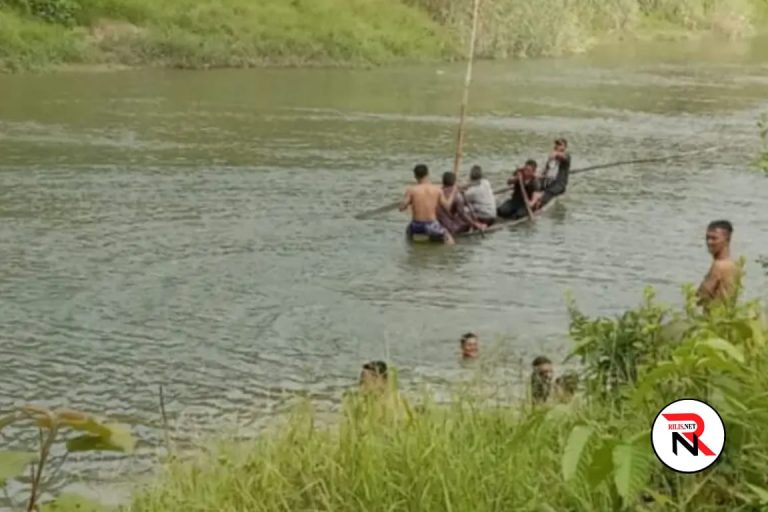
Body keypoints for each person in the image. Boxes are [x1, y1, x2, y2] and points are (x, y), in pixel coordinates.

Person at [400, 164, 456, 244]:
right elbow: (447, 207)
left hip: (416, 226)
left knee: (407, 231)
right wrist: (453, 192)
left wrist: (406, 202)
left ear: (415, 176)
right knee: (450, 239)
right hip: (431, 225)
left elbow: (401, 208)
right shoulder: (437, 190)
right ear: (428, 174)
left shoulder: (411, 190)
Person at [697, 220, 739, 307]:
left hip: (714, 317)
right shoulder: (734, 265)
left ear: (727, 239)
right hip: (727, 315)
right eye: (707, 238)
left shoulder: (719, 266)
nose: (709, 242)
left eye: (714, 238)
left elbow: (700, 298)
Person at [532, 138, 571, 210]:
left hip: (558, 184)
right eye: (556, 144)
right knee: (533, 186)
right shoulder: (551, 157)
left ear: (564, 147)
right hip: (547, 181)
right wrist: (537, 176)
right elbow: (545, 171)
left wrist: (556, 154)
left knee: (546, 194)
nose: (557, 146)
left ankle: (537, 204)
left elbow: (562, 157)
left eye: (559, 144)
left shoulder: (567, 156)